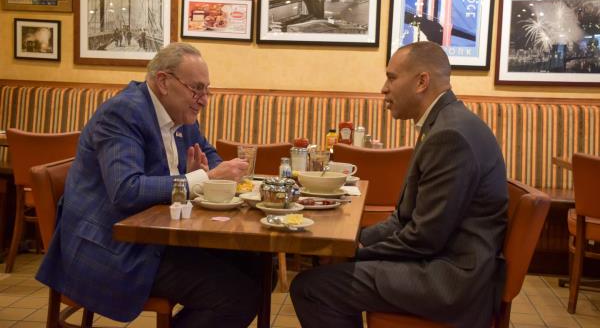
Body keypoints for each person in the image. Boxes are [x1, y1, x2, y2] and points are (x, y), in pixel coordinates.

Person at [36, 42, 262, 328]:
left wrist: (208, 173)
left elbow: (210, 156)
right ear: (164, 81)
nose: (204, 99)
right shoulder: (123, 113)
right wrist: (204, 179)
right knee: (234, 296)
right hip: (112, 247)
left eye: (207, 90)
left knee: (255, 264)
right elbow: (126, 191)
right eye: (197, 89)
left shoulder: (182, 114)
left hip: (157, 233)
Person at [290, 41, 508, 328]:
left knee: (311, 289)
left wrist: (353, 253)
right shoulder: (445, 123)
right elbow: (403, 221)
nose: (383, 88)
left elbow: (424, 238)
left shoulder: (450, 136)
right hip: (446, 263)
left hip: (450, 281)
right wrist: (356, 243)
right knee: (327, 275)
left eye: (392, 77)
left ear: (421, 82)